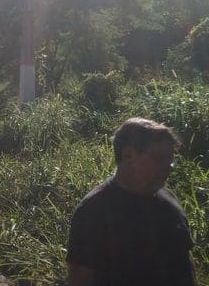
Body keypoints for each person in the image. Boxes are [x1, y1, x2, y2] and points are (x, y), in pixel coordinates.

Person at [67, 117, 197, 286]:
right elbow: (80, 279)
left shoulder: (169, 200)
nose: (168, 168)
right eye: (159, 159)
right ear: (129, 155)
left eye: (170, 160)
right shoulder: (93, 211)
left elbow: (185, 264)